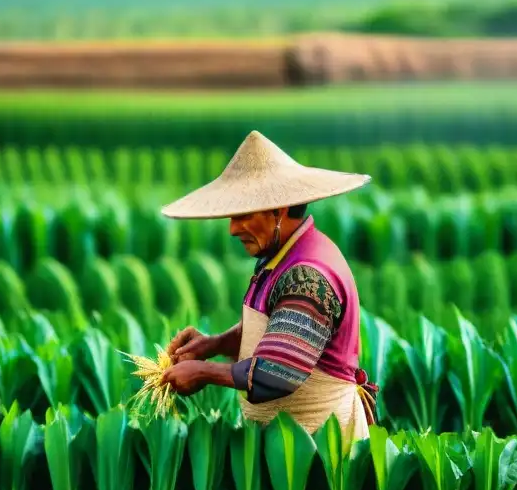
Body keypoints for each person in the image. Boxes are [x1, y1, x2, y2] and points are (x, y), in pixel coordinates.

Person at [157, 130, 377, 441]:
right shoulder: (280, 257)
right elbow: (276, 334)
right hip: (286, 444)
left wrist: (205, 373)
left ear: (280, 209)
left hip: (321, 447)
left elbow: (278, 372)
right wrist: (214, 344)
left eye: (243, 215)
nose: (233, 229)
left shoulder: (308, 277)